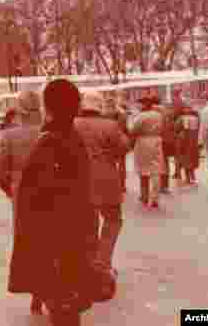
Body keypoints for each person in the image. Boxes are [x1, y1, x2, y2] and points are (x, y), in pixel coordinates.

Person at [7, 79, 97, 325]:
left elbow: (32, 201)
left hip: (53, 242)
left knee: (62, 309)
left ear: (49, 107)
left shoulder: (49, 142)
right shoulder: (73, 138)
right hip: (75, 236)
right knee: (69, 307)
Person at [73, 92, 129, 276]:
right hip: (106, 180)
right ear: (100, 107)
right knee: (113, 220)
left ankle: (86, 263)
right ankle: (102, 263)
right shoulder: (110, 126)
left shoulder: (71, 125)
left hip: (77, 181)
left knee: (84, 223)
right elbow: (124, 147)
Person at [0, 90, 44, 213]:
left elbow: (0, 175)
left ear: (19, 111)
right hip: (50, 196)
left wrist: (12, 190)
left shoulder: (10, 136)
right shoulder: (53, 133)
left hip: (21, 194)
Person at [128, 96, 164, 209]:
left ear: (143, 105)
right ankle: (155, 198)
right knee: (156, 170)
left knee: (143, 170)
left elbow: (133, 130)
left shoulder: (141, 116)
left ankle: (144, 196)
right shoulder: (159, 115)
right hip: (157, 140)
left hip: (143, 142)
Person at [173, 101, 201, 185]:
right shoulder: (196, 118)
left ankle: (188, 178)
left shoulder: (181, 118)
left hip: (183, 141)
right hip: (193, 141)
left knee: (184, 159)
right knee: (192, 159)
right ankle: (193, 177)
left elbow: (176, 128)